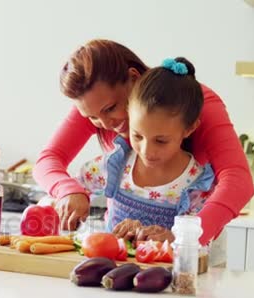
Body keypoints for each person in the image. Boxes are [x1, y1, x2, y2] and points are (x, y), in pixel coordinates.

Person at [33, 39, 254, 245]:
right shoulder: (97, 104)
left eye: (111, 109)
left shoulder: (192, 104)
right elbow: (48, 160)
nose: (105, 123)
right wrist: (68, 190)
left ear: (133, 78)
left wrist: (183, 239)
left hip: (189, 248)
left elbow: (238, 180)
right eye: (91, 117)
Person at [76, 57, 214, 243]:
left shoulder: (197, 187)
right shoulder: (116, 164)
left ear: (189, 129)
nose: (147, 151)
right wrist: (72, 197)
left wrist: (173, 239)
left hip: (165, 272)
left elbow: (199, 246)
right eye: (137, 136)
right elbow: (76, 186)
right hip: (109, 271)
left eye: (161, 141)